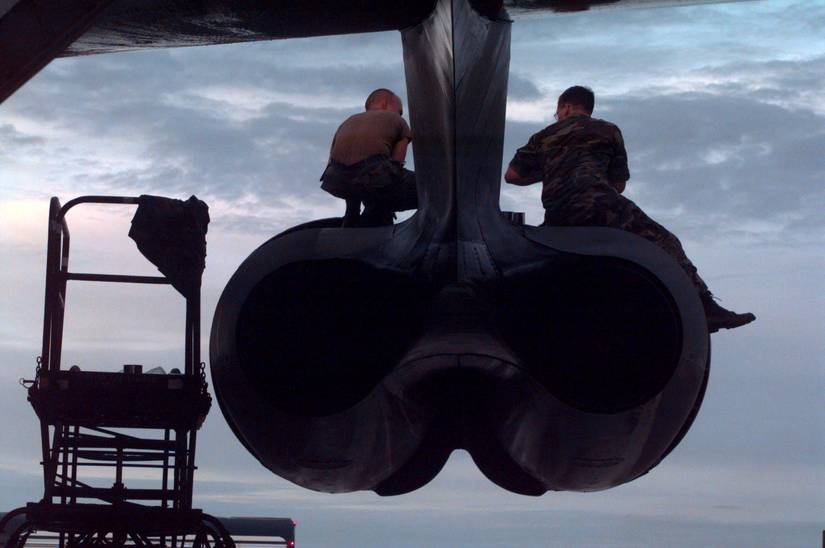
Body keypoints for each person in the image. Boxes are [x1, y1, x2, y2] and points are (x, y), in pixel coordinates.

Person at [504, 85, 755, 333]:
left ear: (566, 107)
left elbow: (512, 176)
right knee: (667, 242)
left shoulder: (543, 136)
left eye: (557, 112)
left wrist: (553, 171)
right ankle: (707, 309)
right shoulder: (608, 130)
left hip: (558, 213)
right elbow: (619, 185)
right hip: (600, 207)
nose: (557, 117)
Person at [320, 88, 417, 227]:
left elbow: (333, 158)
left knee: (358, 183)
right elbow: (397, 162)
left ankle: (351, 216)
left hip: (335, 179)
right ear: (384, 104)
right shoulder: (397, 120)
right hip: (372, 176)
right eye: (400, 110)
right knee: (430, 188)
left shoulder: (348, 121)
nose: (400, 114)